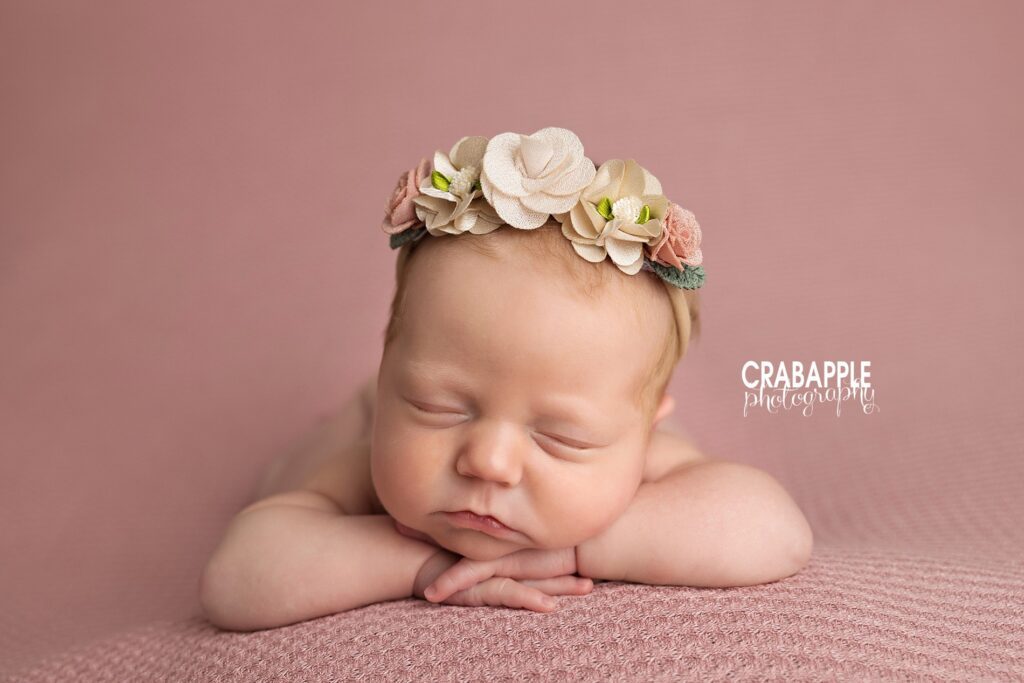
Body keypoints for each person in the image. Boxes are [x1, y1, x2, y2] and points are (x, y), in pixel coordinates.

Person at [199, 126, 813, 632]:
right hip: (356, 430)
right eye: (438, 407)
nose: (489, 462)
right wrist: (421, 563)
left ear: (644, 438)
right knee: (294, 471)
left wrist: (571, 548)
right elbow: (235, 580)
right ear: (390, 377)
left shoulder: (647, 461)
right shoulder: (366, 466)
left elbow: (775, 531)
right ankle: (365, 410)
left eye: (561, 438)